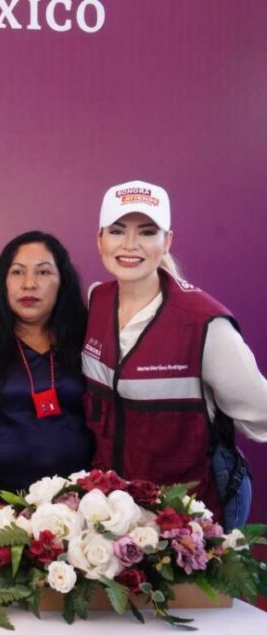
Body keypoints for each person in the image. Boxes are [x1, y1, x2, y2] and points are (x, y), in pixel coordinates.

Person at [83, 180, 267, 529]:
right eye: (117, 231)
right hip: (114, 514)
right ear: (100, 239)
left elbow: (261, 413)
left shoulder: (204, 324)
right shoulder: (96, 300)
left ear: (167, 241)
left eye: (147, 232)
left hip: (188, 519)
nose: (130, 244)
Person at [0, 231, 92, 521]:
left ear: (62, 281)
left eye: (43, 272)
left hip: (83, 504)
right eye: (17, 272)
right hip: (0, 505)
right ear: (3, 281)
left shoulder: (87, 336)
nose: (29, 283)